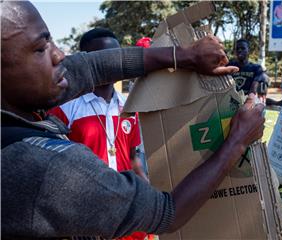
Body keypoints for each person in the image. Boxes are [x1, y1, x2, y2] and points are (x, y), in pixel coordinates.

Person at [1, 1, 265, 239]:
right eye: (39, 49)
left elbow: (93, 67)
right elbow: (166, 211)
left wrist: (183, 56)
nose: (59, 55)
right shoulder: (46, 167)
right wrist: (237, 141)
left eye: (51, 42)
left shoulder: (20, 103)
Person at [48, 28, 149, 240]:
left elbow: (133, 157)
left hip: (128, 208)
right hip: (87, 214)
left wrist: (148, 195)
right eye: (103, 58)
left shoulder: (129, 106)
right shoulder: (65, 107)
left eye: (116, 56)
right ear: (85, 60)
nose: (111, 64)